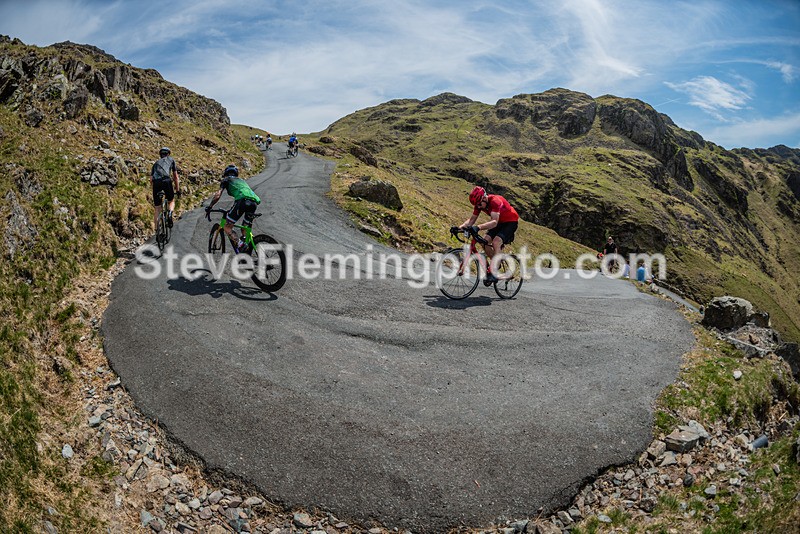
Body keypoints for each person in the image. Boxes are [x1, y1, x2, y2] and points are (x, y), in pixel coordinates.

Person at [459, 185, 519, 285]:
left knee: (496, 242)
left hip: (510, 222)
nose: (478, 207)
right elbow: (472, 220)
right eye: (476, 205)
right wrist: (459, 228)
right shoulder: (479, 203)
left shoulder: (495, 201)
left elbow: (494, 222)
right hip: (499, 222)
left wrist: (478, 227)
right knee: (484, 242)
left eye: (479, 204)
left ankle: (494, 270)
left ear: (484, 198)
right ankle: (495, 264)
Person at [204, 165, 261, 252]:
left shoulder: (226, 180)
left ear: (225, 174)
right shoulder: (241, 181)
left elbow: (218, 195)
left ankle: (241, 245)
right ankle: (247, 251)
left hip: (243, 201)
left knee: (227, 227)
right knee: (244, 228)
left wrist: (210, 206)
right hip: (254, 202)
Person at [151, 147, 180, 230]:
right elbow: (175, 177)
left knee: (157, 207)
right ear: (168, 154)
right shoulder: (171, 160)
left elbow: (151, 179)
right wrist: (177, 190)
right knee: (171, 200)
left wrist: (155, 190)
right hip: (166, 180)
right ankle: (170, 214)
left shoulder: (155, 164)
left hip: (156, 183)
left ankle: (157, 230)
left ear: (160, 155)